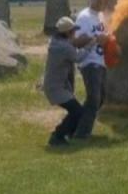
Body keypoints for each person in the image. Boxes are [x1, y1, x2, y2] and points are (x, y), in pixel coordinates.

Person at [42, 16, 99, 147]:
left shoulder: (57, 42)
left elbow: (71, 46)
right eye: (73, 31)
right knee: (77, 111)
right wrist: (92, 43)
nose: (75, 33)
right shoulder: (64, 47)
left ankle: (68, 133)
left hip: (55, 86)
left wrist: (83, 41)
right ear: (67, 33)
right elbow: (78, 58)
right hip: (56, 88)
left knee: (76, 111)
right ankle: (57, 136)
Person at [72, 0, 112, 139]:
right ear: (95, 0)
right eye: (104, 1)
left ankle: (76, 124)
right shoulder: (84, 17)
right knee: (94, 98)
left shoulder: (100, 16)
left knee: (100, 97)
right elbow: (77, 41)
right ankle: (82, 134)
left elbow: (103, 34)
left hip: (101, 62)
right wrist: (95, 39)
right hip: (90, 62)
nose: (106, 4)